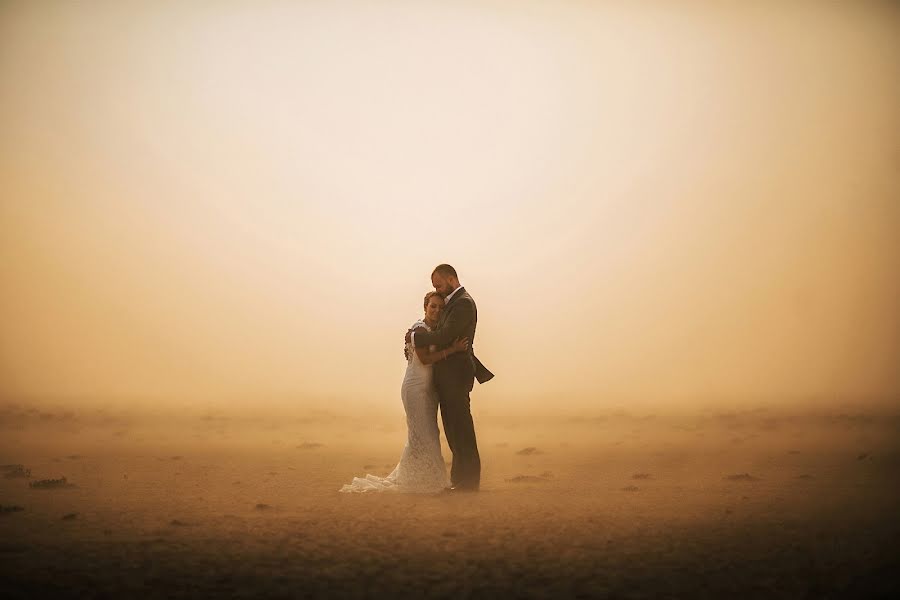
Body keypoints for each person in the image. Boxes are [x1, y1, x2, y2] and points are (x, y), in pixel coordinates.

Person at [339, 291, 469, 493]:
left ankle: (423, 477)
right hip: (415, 388)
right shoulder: (419, 329)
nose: (436, 310)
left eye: (440, 307)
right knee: (422, 434)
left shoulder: (435, 330)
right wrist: (453, 349)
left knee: (430, 433)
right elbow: (425, 359)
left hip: (429, 390)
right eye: (432, 306)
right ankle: (424, 482)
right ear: (425, 306)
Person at [406, 264, 493, 493]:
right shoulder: (452, 303)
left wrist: (416, 338)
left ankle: (468, 482)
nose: (437, 289)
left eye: (439, 284)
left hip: (456, 376)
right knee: (453, 430)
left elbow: (446, 335)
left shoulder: (463, 303)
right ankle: (459, 480)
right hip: (447, 378)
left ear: (452, 279)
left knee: (461, 428)